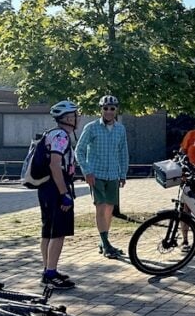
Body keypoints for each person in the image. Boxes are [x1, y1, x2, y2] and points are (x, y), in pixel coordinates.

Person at [74, 95, 130, 259]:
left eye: (112, 108)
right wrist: (86, 171)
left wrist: (122, 173)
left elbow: (123, 152)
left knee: (109, 208)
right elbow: (79, 150)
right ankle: (106, 245)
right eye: (105, 108)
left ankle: (103, 240)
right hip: (96, 174)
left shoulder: (120, 129)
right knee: (100, 206)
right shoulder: (91, 128)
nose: (109, 111)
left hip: (113, 174)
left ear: (116, 110)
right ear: (101, 110)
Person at [38, 100, 80, 289]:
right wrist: (64, 193)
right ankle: (51, 273)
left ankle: (48, 269)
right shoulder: (61, 137)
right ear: (69, 118)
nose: (77, 119)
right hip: (56, 188)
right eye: (76, 115)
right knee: (58, 232)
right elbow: (55, 165)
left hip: (46, 188)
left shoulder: (51, 134)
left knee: (48, 230)